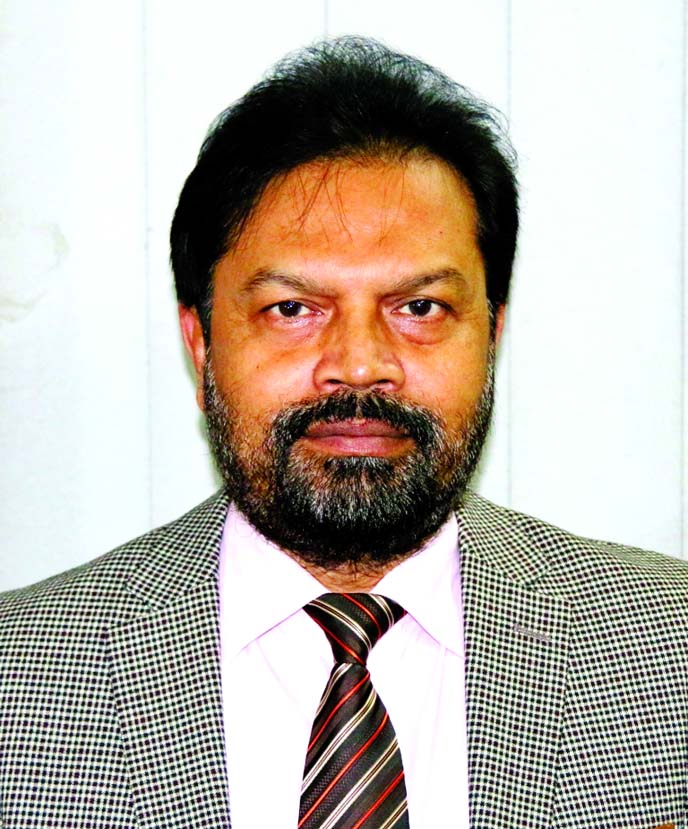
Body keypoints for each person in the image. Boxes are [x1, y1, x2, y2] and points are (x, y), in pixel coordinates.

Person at [1, 36, 687, 829]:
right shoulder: (20, 678)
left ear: (492, 332)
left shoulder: (668, 648)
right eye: (293, 309)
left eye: (420, 307)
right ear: (201, 342)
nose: (359, 366)